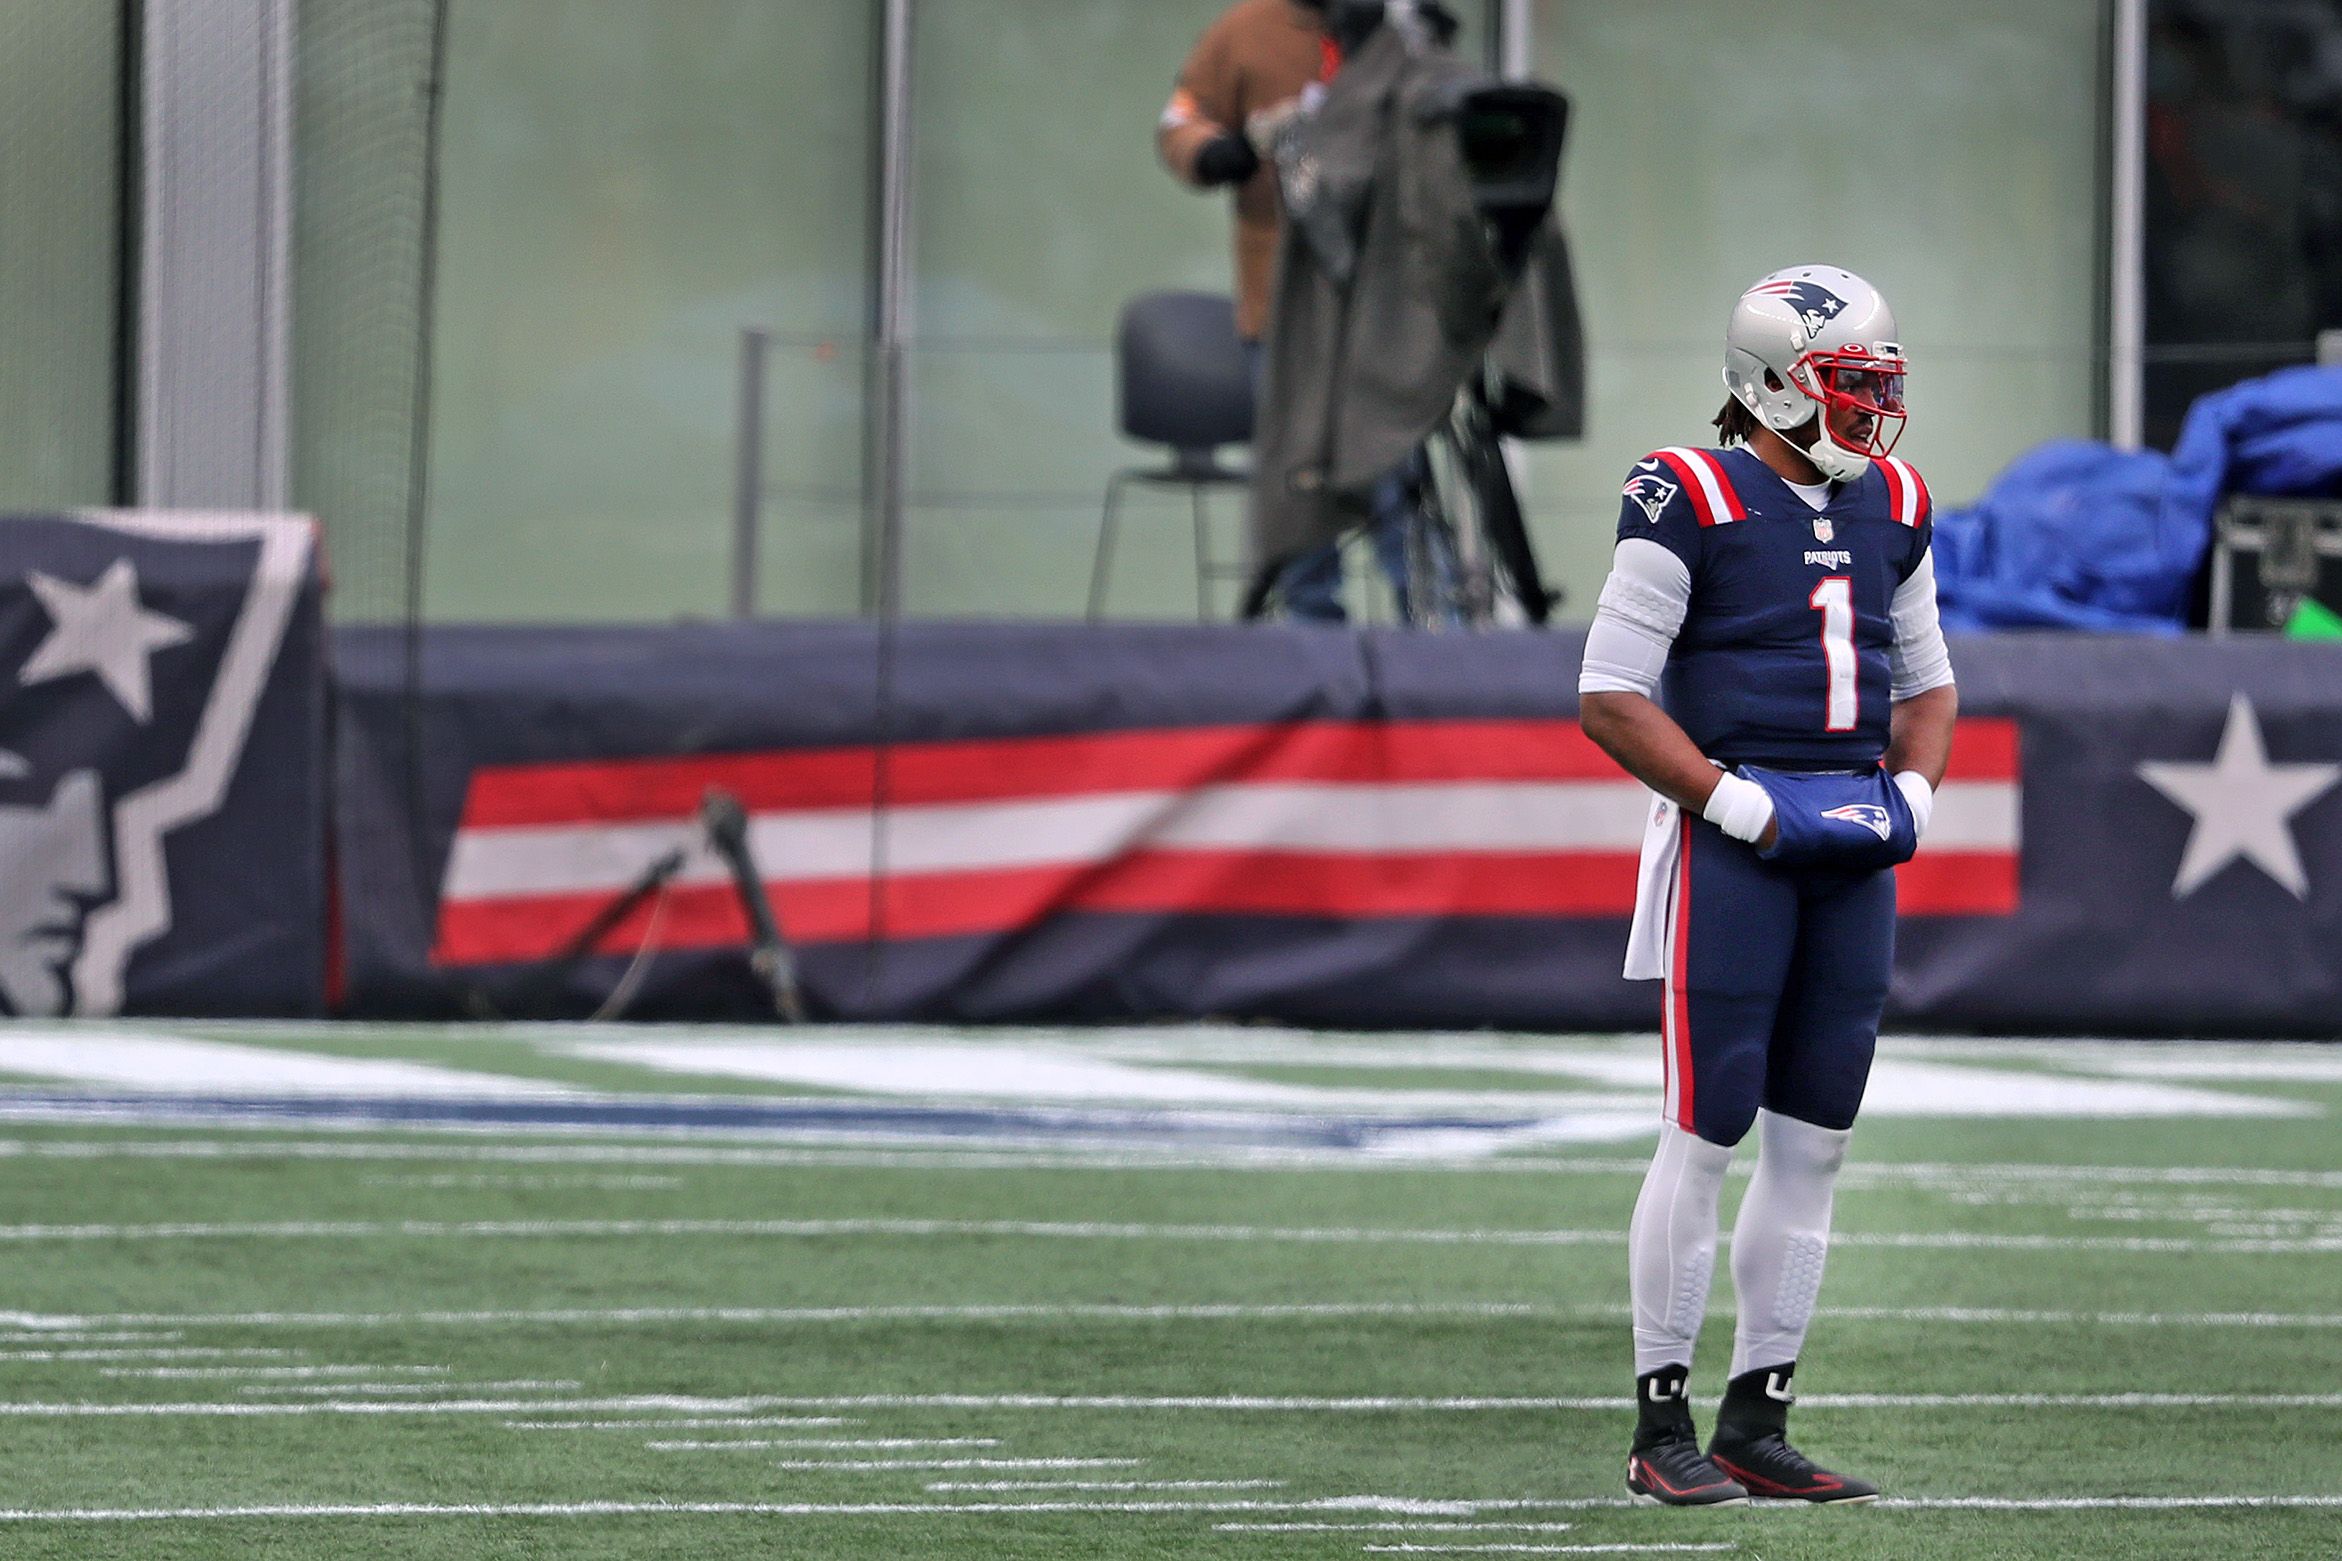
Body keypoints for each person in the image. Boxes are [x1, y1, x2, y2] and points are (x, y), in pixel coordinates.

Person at [1576, 265, 1959, 1507]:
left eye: (1875, 386)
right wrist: (1727, 800)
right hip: (1729, 834)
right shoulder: (1683, 491)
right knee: (1707, 1124)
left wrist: (1915, 792)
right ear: (1769, 381)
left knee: (1818, 1135)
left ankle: (1759, 1416)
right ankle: (1659, 1423)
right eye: (1847, 385)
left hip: (1850, 840)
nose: (1868, 412)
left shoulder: (1895, 499)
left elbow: (1928, 680)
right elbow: (1609, 693)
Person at [1158, 0, 1431, 622]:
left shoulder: (1400, 26)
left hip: (1385, 310)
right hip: (1281, 311)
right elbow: (1181, 121)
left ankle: (1433, 633)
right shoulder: (1247, 30)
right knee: (1296, 478)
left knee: (1395, 472)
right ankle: (1312, 636)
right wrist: (1215, 151)